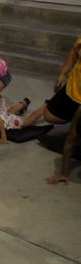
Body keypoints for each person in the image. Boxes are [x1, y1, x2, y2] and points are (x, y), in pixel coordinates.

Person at [42, 35, 81, 185]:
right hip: (74, 89)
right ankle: (74, 121)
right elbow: (70, 141)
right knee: (50, 116)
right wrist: (62, 74)